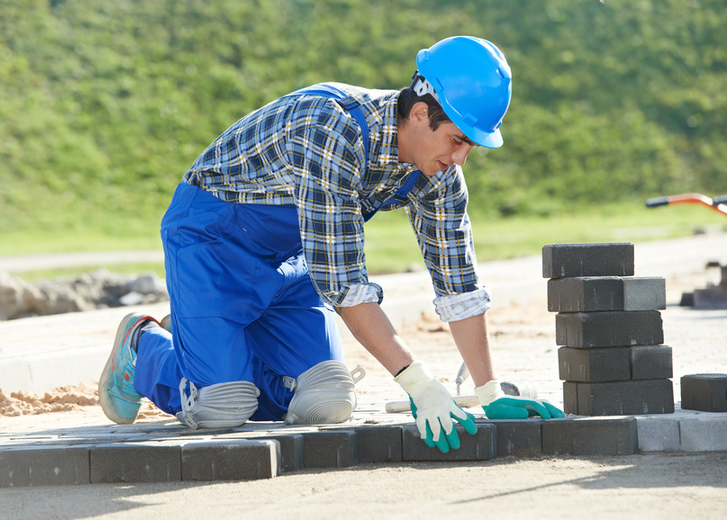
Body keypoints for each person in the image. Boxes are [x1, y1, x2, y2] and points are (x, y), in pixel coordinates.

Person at [98, 35, 564, 454]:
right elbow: (345, 286)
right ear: (421, 113)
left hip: (291, 259)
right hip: (212, 240)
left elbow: (458, 284)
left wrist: (490, 392)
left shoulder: (437, 172)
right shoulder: (332, 130)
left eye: (471, 149)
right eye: (458, 141)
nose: (460, 159)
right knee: (221, 406)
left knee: (326, 402)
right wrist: (419, 385)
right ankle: (145, 345)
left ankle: (219, 347)